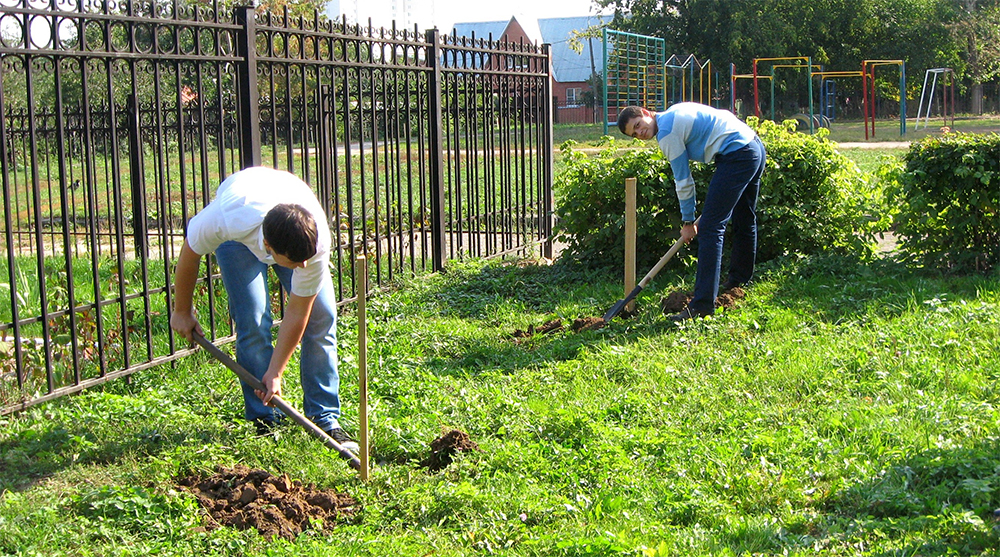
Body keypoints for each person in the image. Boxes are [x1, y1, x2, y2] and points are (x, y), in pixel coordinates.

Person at [170, 166, 358, 451]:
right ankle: (266, 420)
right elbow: (190, 253)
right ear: (268, 247)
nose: (303, 268)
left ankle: (325, 417)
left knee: (321, 317)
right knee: (253, 319)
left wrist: (276, 371)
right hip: (238, 237)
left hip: (281, 209)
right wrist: (182, 310)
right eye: (295, 263)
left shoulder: (313, 243)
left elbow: (299, 312)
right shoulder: (225, 220)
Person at [617, 102, 766, 321]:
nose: (641, 133)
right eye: (635, 134)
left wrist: (688, 222)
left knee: (710, 229)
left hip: (738, 154)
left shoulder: (667, 133)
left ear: (647, 113)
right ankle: (738, 281)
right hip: (753, 146)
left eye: (638, 125)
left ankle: (702, 306)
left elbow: (684, 181)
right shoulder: (673, 113)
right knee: (744, 217)